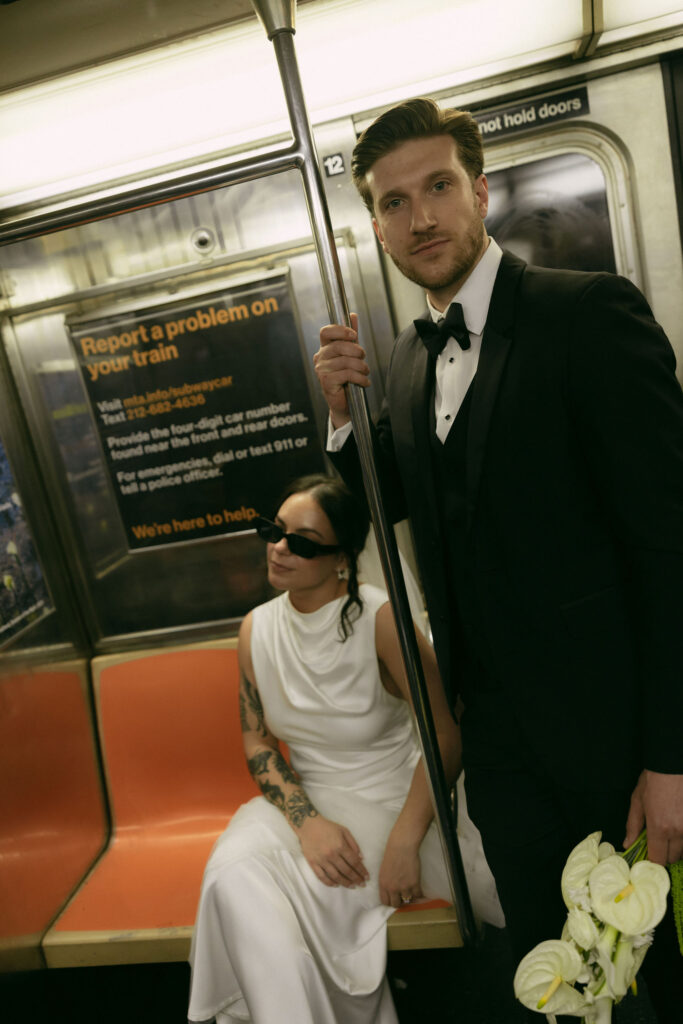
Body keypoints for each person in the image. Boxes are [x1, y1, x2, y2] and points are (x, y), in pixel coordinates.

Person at [313, 98, 683, 1021]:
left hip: (616, 737)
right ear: (376, 226)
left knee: (654, 983)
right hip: (500, 755)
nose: (421, 217)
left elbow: (668, 544)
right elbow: (385, 509)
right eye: (393, 204)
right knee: (551, 976)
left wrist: (671, 757)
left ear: (479, 192)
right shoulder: (396, 364)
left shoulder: (588, 315)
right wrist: (339, 418)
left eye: (438, 187)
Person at [187, 474, 499, 1024]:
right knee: (231, 876)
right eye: (274, 531)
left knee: (311, 895)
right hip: (307, 803)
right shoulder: (255, 629)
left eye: (303, 542)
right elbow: (257, 738)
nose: (280, 549)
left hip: (391, 800)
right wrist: (307, 821)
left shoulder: (382, 622)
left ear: (342, 559)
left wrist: (408, 836)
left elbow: (446, 735)